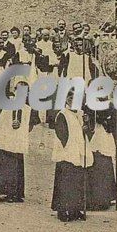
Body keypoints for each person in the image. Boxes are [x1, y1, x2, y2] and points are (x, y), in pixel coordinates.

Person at [51, 92, 91, 222]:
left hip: (78, 151)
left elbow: (87, 131)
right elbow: (61, 134)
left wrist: (86, 126)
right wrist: (68, 147)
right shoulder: (62, 114)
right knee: (65, 182)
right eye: (70, 98)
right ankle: (62, 210)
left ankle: (75, 209)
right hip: (67, 152)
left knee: (78, 181)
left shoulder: (81, 114)